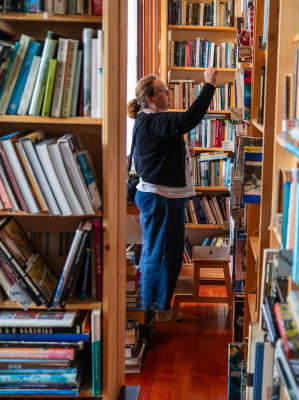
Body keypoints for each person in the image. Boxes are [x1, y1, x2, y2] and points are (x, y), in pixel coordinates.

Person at [127, 67, 217, 321]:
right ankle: (151, 312)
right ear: (149, 99)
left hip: (164, 196)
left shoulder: (151, 120)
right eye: (162, 90)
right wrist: (208, 85)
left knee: (168, 254)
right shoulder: (154, 120)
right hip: (160, 198)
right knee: (160, 254)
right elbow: (188, 120)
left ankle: (158, 307)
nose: (168, 92)